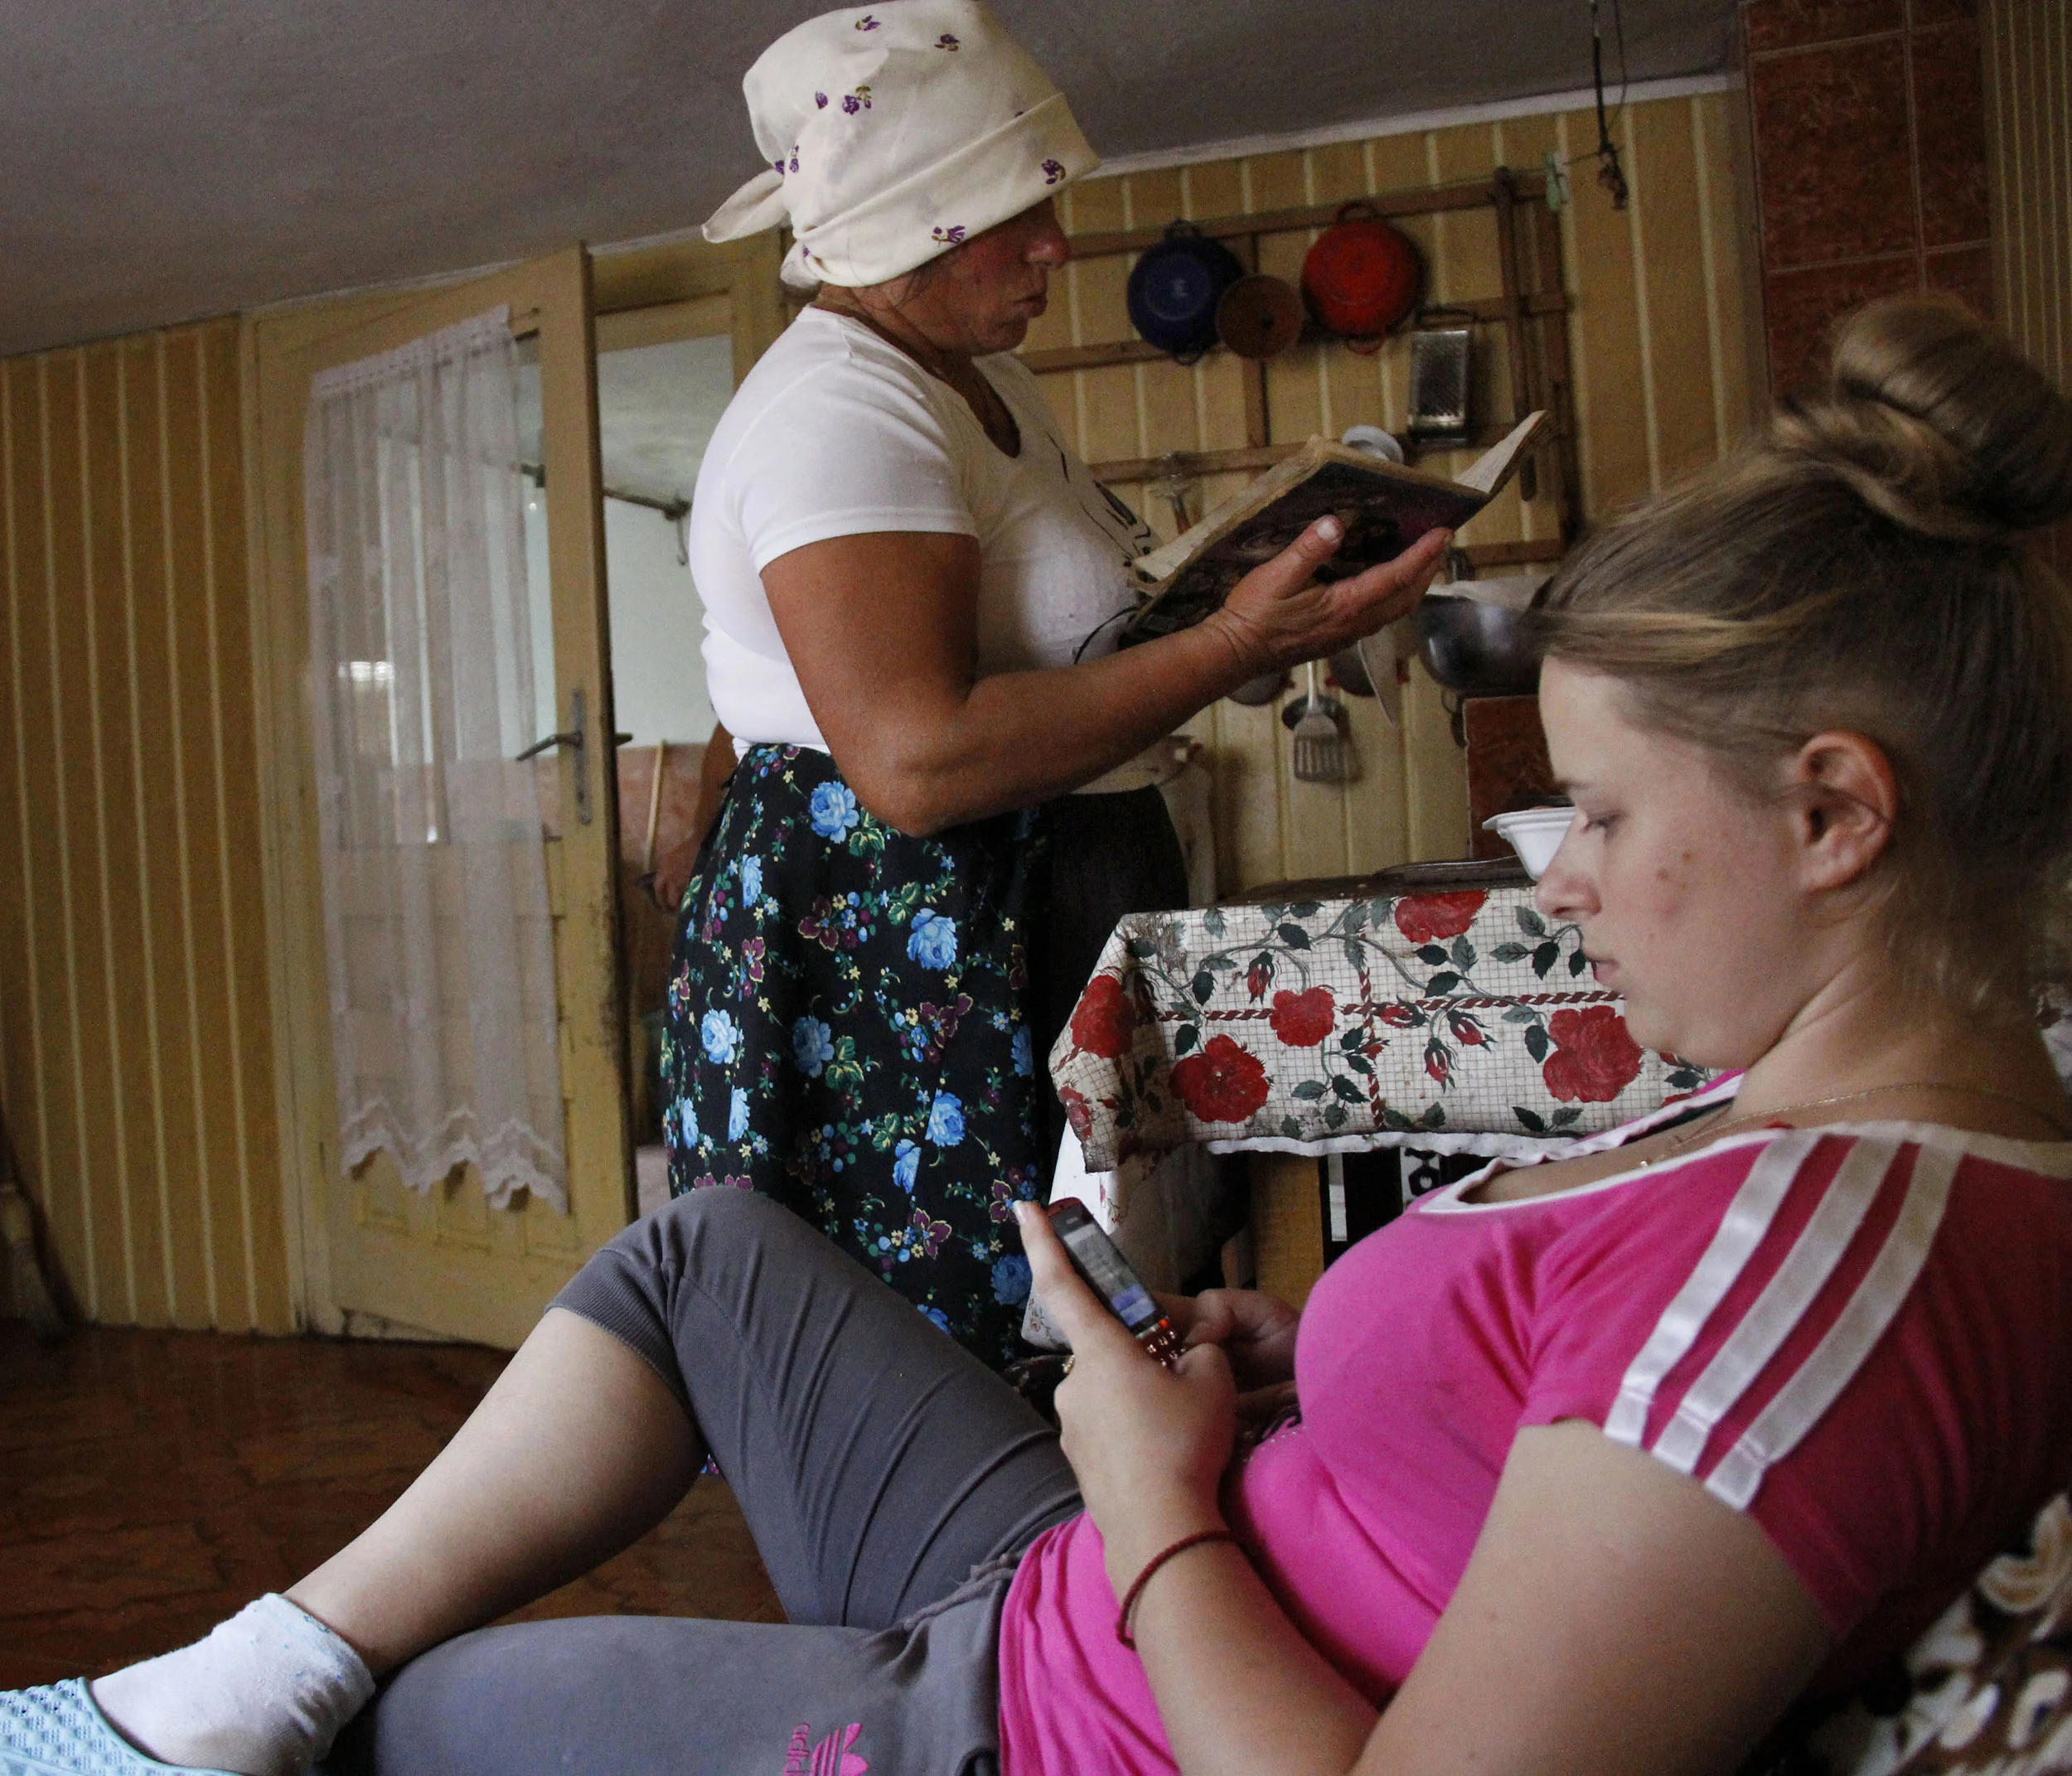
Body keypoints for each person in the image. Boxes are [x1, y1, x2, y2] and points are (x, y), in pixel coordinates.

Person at [11, 297, 2072, 1776]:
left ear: (1831, 810)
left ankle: (238, 1708)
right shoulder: (1801, 1128)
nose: (1554, 881)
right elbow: (1554, 1431)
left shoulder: (1827, 1269)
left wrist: (1154, 1491)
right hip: (1108, 1565)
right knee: (711, 1243)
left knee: (427, 1722)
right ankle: (229, 1676)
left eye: (1601, 816)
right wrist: (1287, 1380)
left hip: (1058, 1706)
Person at [646, 0, 1450, 1363]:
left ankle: (1097, 1570)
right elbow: (915, 761)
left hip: (1022, 900)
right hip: (902, 941)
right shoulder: (838, 412)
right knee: (965, 1368)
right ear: (912, 229)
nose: (1053, 246)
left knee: (1096, 1335)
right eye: (1012, 218)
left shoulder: (976, 374)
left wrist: (1229, 597)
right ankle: (1012, 1584)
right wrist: (1237, 646)